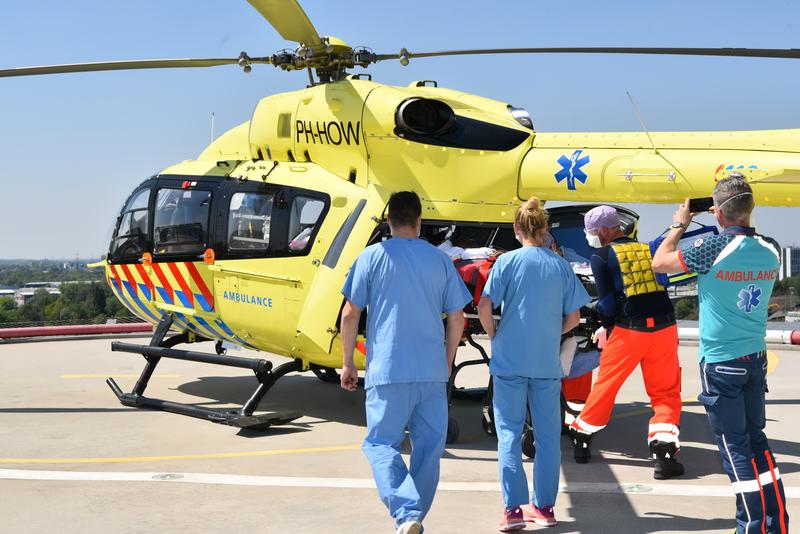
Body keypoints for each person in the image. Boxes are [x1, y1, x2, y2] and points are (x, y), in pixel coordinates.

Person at [652, 176, 789, 534]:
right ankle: (776, 524)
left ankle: (752, 527)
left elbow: (660, 262)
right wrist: (725, 218)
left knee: (735, 450)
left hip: (721, 362)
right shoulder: (771, 247)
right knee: (758, 444)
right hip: (754, 359)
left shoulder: (713, 249)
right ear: (750, 208)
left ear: (719, 212)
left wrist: (679, 225)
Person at [339, 191, 472, 534]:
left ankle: (406, 512)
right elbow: (457, 318)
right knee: (429, 450)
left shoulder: (370, 257)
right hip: (431, 371)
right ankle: (411, 519)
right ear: (419, 221)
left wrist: (348, 362)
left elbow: (350, 313)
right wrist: (447, 361)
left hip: (388, 369)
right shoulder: (440, 261)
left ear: (388, 222)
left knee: (380, 444)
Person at [478, 197, 589, 531]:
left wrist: (495, 334)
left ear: (517, 230)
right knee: (547, 436)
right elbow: (575, 317)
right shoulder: (560, 266)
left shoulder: (506, 262)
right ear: (545, 230)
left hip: (509, 360)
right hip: (545, 363)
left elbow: (485, 306)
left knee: (509, 435)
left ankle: (513, 511)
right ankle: (545, 508)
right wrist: (549, 331)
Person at [568, 205, 684, 479]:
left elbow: (608, 303)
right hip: (665, 327)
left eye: (592, 232)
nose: (591, 237)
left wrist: (600, 318)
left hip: (628, 331)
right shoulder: (649, 248)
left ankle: (582, 437)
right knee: (666, 391)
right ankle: (663, 452)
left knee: (606, 386)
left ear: (605, 231)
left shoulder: (602, 256)